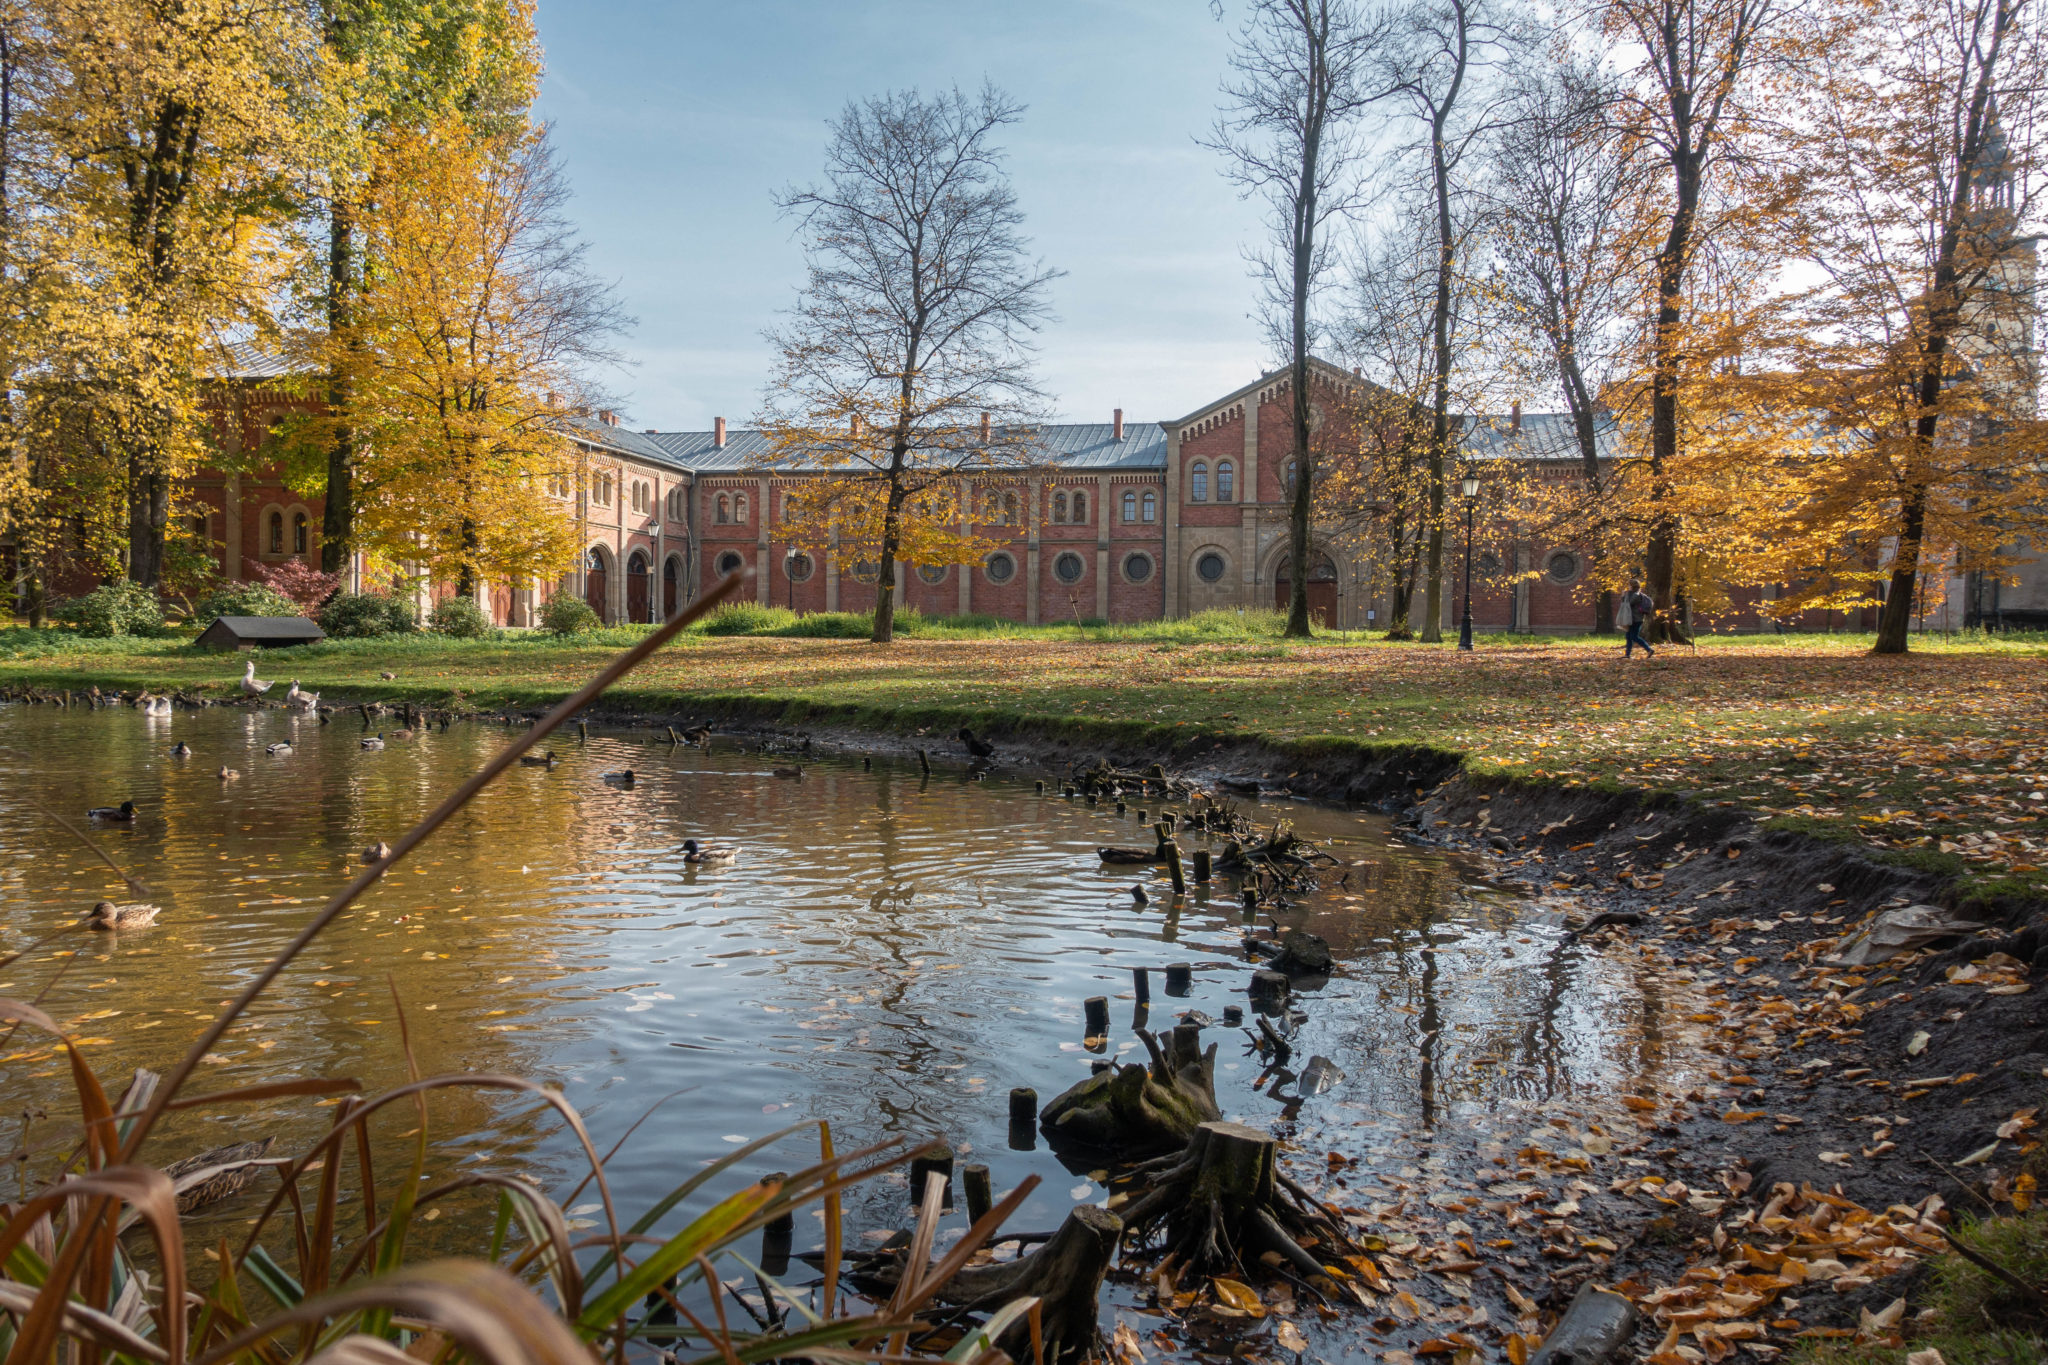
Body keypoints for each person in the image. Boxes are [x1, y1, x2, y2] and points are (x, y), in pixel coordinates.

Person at [1617, 581, 1655, 658]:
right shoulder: (1633, 594)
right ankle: (1627, 654)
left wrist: (1624, 595)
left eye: (1629, 585)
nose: (1628, 587)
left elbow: (1628, 604)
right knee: (1628, 636)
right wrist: (1625, 595)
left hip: (1637, 619)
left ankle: (1649, 649)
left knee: (1634, 637)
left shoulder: (1636, 595)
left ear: (1632, 586)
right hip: (1632, 619)